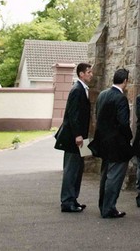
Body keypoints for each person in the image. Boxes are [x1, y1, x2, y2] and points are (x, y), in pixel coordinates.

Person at [91, 67, 132, 219]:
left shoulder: (103, 94)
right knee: (115, 177)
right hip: (117, 144)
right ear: (125, 81)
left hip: (103, 141)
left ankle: (103, 205)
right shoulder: (120, 98)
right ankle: (109, 208)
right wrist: (129, 136)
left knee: (105, 176)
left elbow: (97, 115)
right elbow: (123, 123)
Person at [54, 61, 93, 212]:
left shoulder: (83, 89)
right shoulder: (77, 90)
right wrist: (78, 135)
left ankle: (73, 199)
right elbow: (73, 114)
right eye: (89, 72)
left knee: (78, 168)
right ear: (81, 74)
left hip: (82, 137)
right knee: (71, 169)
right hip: (75, 138)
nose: (91, 75)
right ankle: (67, 201)